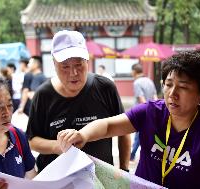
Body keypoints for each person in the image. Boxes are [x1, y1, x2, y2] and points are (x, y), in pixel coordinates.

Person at [57, 52, 200, 189]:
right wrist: (82, 135)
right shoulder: (151, 111)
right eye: (168, 84)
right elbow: (107, 126)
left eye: (183, 87)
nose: (172, 93)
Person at [25, 30, 131, 172]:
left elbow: (123, 130)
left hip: (99, 177)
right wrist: (57, 146)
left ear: (87, 61)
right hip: (58, 179)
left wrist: (124, 170)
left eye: (79, 65)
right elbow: (32, 140)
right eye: (65, 67)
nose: (73, 73)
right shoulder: (43, 95)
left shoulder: (105, 87)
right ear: (54, 64)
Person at [130, 63, 157, 162]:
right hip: (151, 112)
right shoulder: (150, 80)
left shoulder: (137, 82)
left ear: (134, 71)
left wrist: (147, 111)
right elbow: (155, 97)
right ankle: (140, 156)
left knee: (139, 135)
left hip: (142, 112)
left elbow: (142, 100)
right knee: (144, 135)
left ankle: (132, 156)